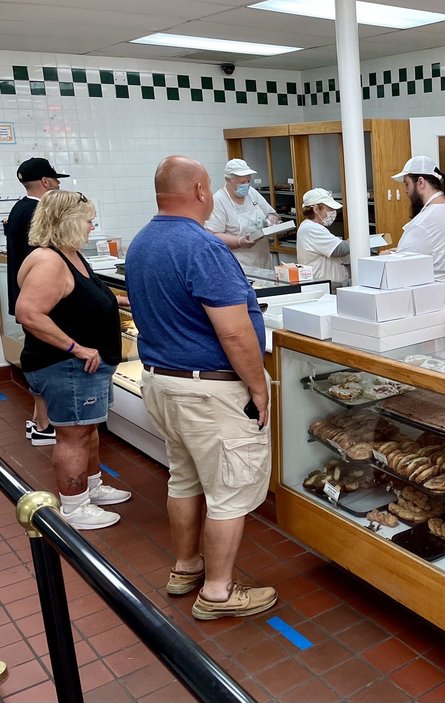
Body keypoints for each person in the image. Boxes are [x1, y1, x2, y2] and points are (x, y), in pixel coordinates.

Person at [127, 155, 276, 621]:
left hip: (162, 382)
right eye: (209, 185)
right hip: (209, 392)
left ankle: (186, 566)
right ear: (198, 191)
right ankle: (217, 592)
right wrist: (258, 387)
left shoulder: (143, 241)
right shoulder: (203, 246)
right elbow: (234, 332)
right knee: (229, 490)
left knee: (185, 478)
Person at [15, 190, 131, 530]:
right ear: (66, 222)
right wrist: (76, 348)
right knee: (73, 436)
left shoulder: (70, 254)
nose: (92, 226)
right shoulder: (49, 261)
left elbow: (80, 296)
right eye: (87, 220)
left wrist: (117, 301)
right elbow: (28, 313)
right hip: (66, 367)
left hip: (85, 367)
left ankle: (91, 487)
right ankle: (75, 506)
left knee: (86, 429)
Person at [7, 158, 69, 447]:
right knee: (44, 359)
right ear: (46, 182)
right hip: (39, 300)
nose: (57, 185)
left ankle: (38, 420)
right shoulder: (37, 211)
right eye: (55, 180)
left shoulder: (19, 208)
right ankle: (45, 425)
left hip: (26, 297)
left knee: (37, 355)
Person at [391, 156, 445, 308]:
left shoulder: (425, 221)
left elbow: (402, 265)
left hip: (443, 299)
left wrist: (389, 256)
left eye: (407, 184)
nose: (406, 191)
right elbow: (434, 248)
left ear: (420, 182)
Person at [205, 158, 279, 271]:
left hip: (262, 260)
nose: (246, 185)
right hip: (239, 265)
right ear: (228, 180)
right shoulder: (219, 200)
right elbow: (213, 236)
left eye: (248, 181)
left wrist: (272, 219)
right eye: (242, 183)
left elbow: (271, 213)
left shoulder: (252, 192)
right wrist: (239, 242)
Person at [295, 188, 350, 286]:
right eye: (330, 209)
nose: (333, 212)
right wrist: (360, 240)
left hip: (329, 284)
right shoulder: (311, 228)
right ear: (316, 209)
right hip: (324, 286)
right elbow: (341, 249)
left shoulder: (311, 227)